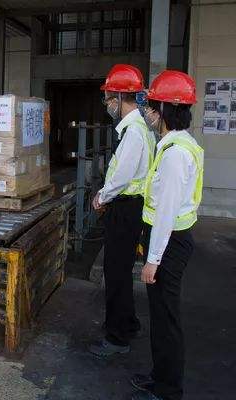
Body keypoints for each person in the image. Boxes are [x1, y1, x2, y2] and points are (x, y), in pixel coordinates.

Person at [130, 71, 203, 400]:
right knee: (160, 317)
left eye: (152, 106)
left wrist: (153, 260)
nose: (148, 112)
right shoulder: (179, 143)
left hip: (170, 242)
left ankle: (167, 390)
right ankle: (160, 377)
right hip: (170, 239)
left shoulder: (175, 154)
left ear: (164, 110)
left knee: (166, 318)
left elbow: (166, 213)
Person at [90, 64, 157, 357]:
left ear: (119, 97)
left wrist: (102, 197)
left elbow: (122, 175)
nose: (107, 105)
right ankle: (128, 323)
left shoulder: (133, 133)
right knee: (121, 269)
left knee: (115, 272)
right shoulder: (140, 130)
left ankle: (117, 338)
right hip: (132, 208)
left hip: (125, 208)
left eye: (108, 99)